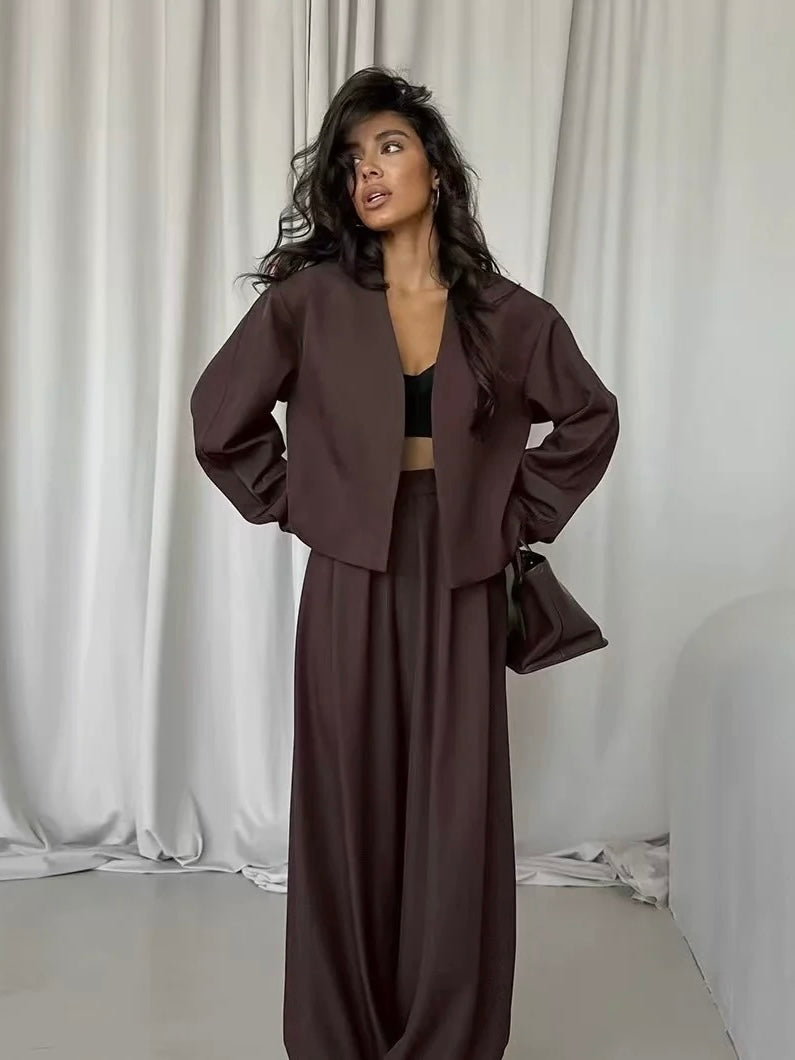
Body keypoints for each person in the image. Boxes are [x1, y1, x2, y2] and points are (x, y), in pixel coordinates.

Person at [190, 66, 619, 1060]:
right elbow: (221, 419)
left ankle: (446, 1038)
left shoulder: (505, 313)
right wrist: (308, 503)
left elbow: (589, 418)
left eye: (389, 146)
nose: (370, 172)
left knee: (455, 813)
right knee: (348, 801)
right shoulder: (309, 303)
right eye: (350, 161)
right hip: (351, 570)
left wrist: (516, 515)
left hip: (463, 571)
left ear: (436, 165)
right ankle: (341, 1036)